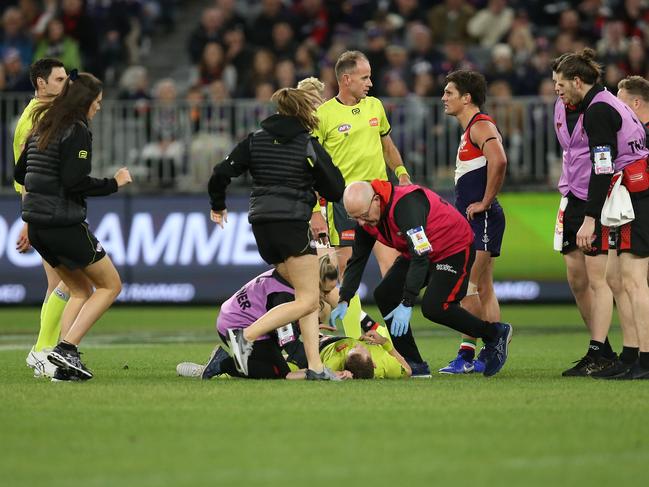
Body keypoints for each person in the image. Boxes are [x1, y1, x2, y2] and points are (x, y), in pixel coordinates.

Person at [208, 87, 345, 380]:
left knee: (303, 293)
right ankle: (246, 337)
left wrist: (217, 206)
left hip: (261, 226)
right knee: (309, 300)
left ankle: (316, 369)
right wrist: (315, 179)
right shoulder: (307, 144)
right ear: (304, 113)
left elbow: (221, 173)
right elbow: (335, 188)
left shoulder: (255, 140)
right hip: (291, 225)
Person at [14, 70, 132, 381]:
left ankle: (62, 363)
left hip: (37, 224)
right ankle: (66, 348)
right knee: (111, 285)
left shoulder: (43, 124)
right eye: (98, 101)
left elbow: (18, 172)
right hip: (62, 223)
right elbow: (73, 181)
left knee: (79, 290)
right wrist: (114, 183)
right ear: (86, 101)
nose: (99, 107)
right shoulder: (77, 130)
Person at [330, 180, 513, 377]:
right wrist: (344, 298)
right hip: (419, 253)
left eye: (364, 216)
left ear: (376, 200)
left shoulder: (406, 206)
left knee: (435, 307)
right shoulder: (366, 218)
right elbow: (357, 260)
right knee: (385, 294)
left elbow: (421, 256)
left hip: (453, 249)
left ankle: (495, 334)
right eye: (356, 218)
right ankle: (413, 363)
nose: (362, 223)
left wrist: (407, 302)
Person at [555, 56, 649, 380]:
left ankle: (645, 362)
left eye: (561, 84)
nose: (557, 91)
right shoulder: (610, 103)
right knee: (615, 278)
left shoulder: (596, 111)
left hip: (631, 196)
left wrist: (590, 218)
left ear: (578, 81)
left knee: (634, 280)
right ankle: (631, 356)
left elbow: (603, 167)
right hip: (628, 194)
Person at [176, 255, 410, 380]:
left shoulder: (300, 275)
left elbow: (341, 305)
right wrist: (320, 369)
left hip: (235, 315)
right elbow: (292, 349)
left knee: (285, 364)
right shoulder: (287, 301)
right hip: (236, 326)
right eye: (325, 291)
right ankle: (221, 364)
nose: (327, 296)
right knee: (279, 371)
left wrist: (370, 325)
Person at [439, 70, 507, 374]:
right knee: (483, 290)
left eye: (449, 92)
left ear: (467, 98)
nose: (443, 98)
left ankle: (469, 353)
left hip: (483, 219)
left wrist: (486, 201)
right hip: (477, 221)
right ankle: (486, 353)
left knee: (466, 288)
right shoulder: (471, 128)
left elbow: (500, 159)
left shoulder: (481, 125)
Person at [13, 58, 68, 379]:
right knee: (68, 282)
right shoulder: (30, 121)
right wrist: (29, 220)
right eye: (59, 79)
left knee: (58, 284)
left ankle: (49, 350)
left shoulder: (48, 114)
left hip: (55, 206)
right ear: (41, 83)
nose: (65, 85)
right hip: (46, 210)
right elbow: (26, 176)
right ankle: (45, 350)